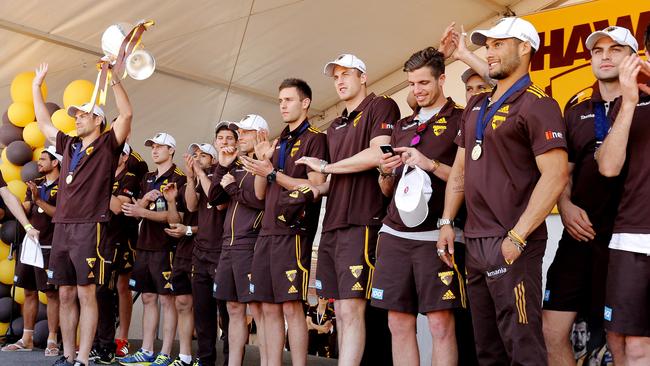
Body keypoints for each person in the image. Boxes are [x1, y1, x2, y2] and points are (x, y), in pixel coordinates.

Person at [436, 17, 568, 365]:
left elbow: (555, 177)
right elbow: (460, 171)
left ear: (525, 48)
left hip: (512, 242)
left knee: (523, 348)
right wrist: (446, 221)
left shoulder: (538, 104)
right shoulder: (479, 105)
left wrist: (518, 237)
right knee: (487, 351)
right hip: (476, 242)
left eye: (499, 44)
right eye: (488, 46)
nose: (490, 53)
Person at [297, 54, 400, 366]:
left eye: (346, 74)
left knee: (353, 309)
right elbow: (328, 181)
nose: (339, 81)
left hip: (362, 221)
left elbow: (379, 154)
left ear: (363, 76)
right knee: (340, 310)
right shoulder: (335, 125)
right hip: (332, 225)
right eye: (335, 76)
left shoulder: (381, 105)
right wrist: (281, 177)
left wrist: (327, 167)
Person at [542, 26, 636, 366]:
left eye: (616, 49)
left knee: (620, 338)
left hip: (626, 238)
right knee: (551, 330)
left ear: (633, 58)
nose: (606, 55)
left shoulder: (645, 101)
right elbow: (561, 172)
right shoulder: (576, 106)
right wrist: (563, 205)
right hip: (577, 234)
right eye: (598, 50)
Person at [372, 46, 469, 366]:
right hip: (394, 234)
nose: (417, 90)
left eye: (424, 83)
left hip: (437, 236)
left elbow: (466, 179)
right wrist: (385, 171)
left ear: (442, 79)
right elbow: (388, 190)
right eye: (412, 84)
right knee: (398, 323)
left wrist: (428, 163)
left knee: (441, 324)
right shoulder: (402, 125)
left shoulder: (462, 119)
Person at [33, 62, 132, 366]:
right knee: (64, 294)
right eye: (75, 115)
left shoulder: (107, 144)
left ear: (99, 120)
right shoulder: (69, 143)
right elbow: (45, 125)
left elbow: (126, 115)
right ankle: (67, 354)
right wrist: (36, 88)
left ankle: (84, 359)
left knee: (86, 292)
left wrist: (114, 79)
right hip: (62, 226)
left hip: (91, 227)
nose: (76, 119)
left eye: (83, 114)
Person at [240, 79, 327, 366]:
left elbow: (314, 187)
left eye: (289, 100)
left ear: (305, 103)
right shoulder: (277, 141)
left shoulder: (316, 138)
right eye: (280, 101)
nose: (283, 106)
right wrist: (261, 163)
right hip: (267, 232)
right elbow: (260, 193)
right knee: (266, 306)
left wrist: (273, 172)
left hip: (294, 232)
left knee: (292, 307)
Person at [596, 37, 650, 366]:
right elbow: (608, 166)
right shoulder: (629, 102)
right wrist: (628, 103)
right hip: (632, 238)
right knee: (635, 346)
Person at [120, 133, 187, 366]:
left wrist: (143, 211)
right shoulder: (147, 177)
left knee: (167, 300)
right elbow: (133, 209)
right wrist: (144, 202)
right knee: (148, 297)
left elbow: (175, 218)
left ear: (172, 150)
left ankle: (165, 352)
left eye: (160, 146)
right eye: (153, 146)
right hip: (144, 245)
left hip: (166, 247)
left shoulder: (179, 178)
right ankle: (147, 350)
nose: (155, 150)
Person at [210, 120, 267, 366]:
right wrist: (222, 167)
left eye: (245, 132)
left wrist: (232, 188)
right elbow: (213, 197)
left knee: (257, 311)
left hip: (250, 244)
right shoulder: (235, 165)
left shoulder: (263, 165)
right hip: (227, 244)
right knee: (232, 308)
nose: (239, 136)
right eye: (239, 132)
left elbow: (258, 201)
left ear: (260, 134)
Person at [185, 125, 237, 366]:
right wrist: (190, 177)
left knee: (226, 313)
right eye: (220, 138)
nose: (224, 141)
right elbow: (192, 206)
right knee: (202, 311)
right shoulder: (202, 175)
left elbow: (219, 204)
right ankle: (205, 359)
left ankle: (229, 360)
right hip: (200, 251)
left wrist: (202, 174)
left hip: (221, 251)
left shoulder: (230, 169)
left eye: (229, 138)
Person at [2, 146, 61, 356]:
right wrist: (20, 205)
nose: (39, 162)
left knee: (52, 294)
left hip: (51, 245)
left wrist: (39, 201)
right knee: (28, 291)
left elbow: (59, 214)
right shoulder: (34, 184)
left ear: (55, 162)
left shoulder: (64, 185)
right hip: (31, 245)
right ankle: (27, 338)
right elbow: (26, 207)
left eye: (44, 159)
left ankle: (52, 339)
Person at [87, 143, 140, 364]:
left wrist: (101, 183)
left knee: (111, 290)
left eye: (117, 154)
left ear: (125, 157)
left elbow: (118, 207)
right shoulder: (102, 175)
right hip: (96, 240)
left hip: (119, 240)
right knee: (96, 292)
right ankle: (99, 342)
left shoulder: (130, 178)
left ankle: (112, 342)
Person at [164, 170, 199, 366]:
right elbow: (174, 222)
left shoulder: (217, 182)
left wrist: (188, 230)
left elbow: (215, 226)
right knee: (182, 303)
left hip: (206, 253)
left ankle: (205, 356)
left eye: (203, 155)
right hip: (184, 252)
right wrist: (170, 201)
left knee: (204, 307)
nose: (197, 160)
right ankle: (185, 356)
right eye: (195, 156)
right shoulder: (186, 186)